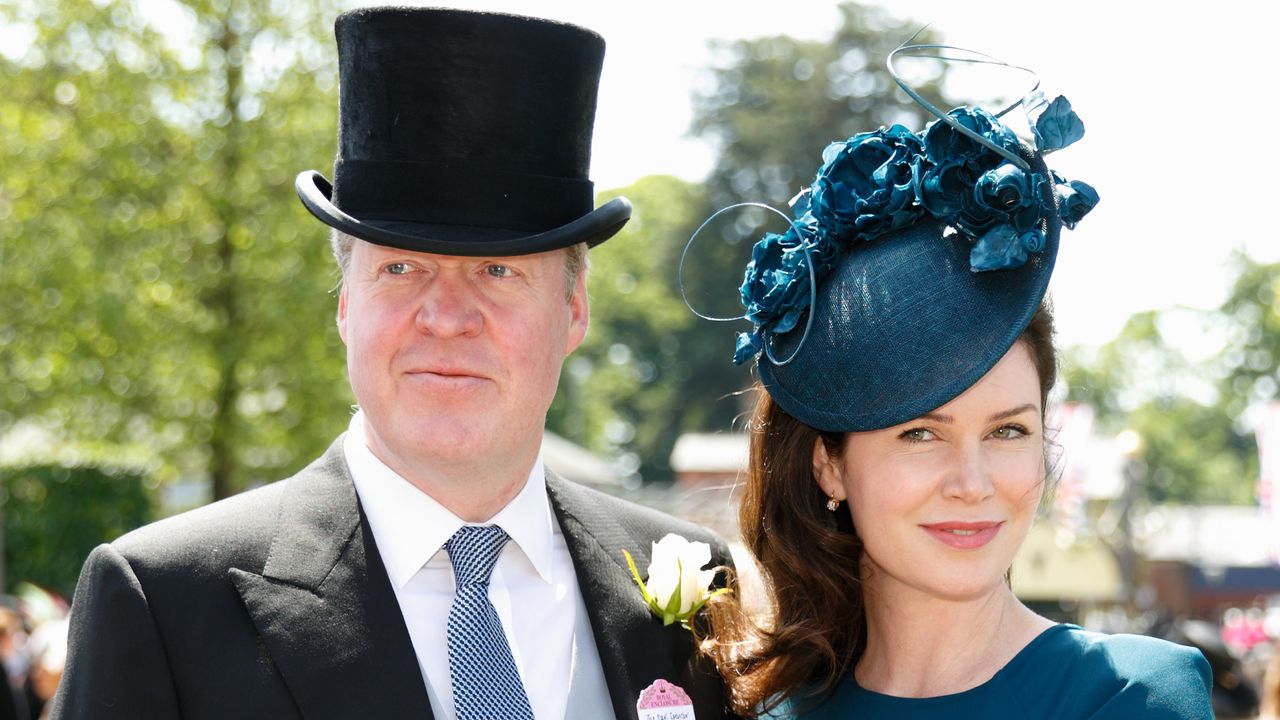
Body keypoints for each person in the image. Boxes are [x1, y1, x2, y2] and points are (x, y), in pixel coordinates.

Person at [51, 7, 732, 719]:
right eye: (401, 268)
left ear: (574, 308)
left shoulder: (694, 583)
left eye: (498, 272)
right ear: (346, 303)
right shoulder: (164, 603)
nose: (445, 317)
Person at [695, 43, 1211, 719]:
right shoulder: (771, 712)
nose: (973, 482)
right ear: (829, 466)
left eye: (1008, 430)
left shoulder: (1133, 696)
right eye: (920, 433)